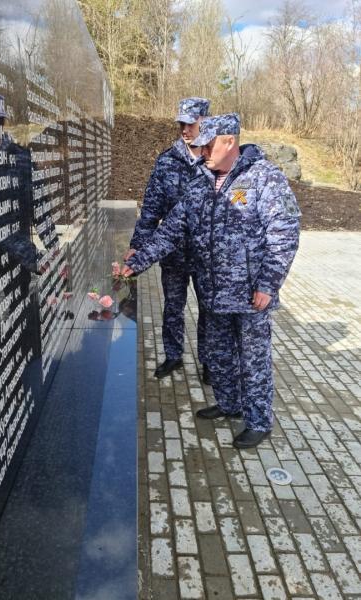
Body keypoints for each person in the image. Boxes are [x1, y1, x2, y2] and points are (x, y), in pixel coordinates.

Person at [122, 113, 301, 448]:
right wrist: (138, 263)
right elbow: (171, 230)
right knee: (218, 354)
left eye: (209, 145)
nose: (202, 151)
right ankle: (230, 404)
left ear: (229, 141)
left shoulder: (264, 177)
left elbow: (284, 233)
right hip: (212, 291)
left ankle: (259, 421)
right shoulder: (202, 182)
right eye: (200, 145)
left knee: (253, 360)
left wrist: (268, 283)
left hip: (250, 295)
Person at [124, 97, 210, 380]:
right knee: (173, 306)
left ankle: (210, 361)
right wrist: (137, 246)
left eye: (190, 123)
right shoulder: (167, 161)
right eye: (181, 124)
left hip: (205, 253)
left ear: (204, 122)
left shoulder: (215, 160)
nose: (184, 129)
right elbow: (151, 209)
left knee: (208, 310)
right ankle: (173, 356)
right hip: (172, 252)